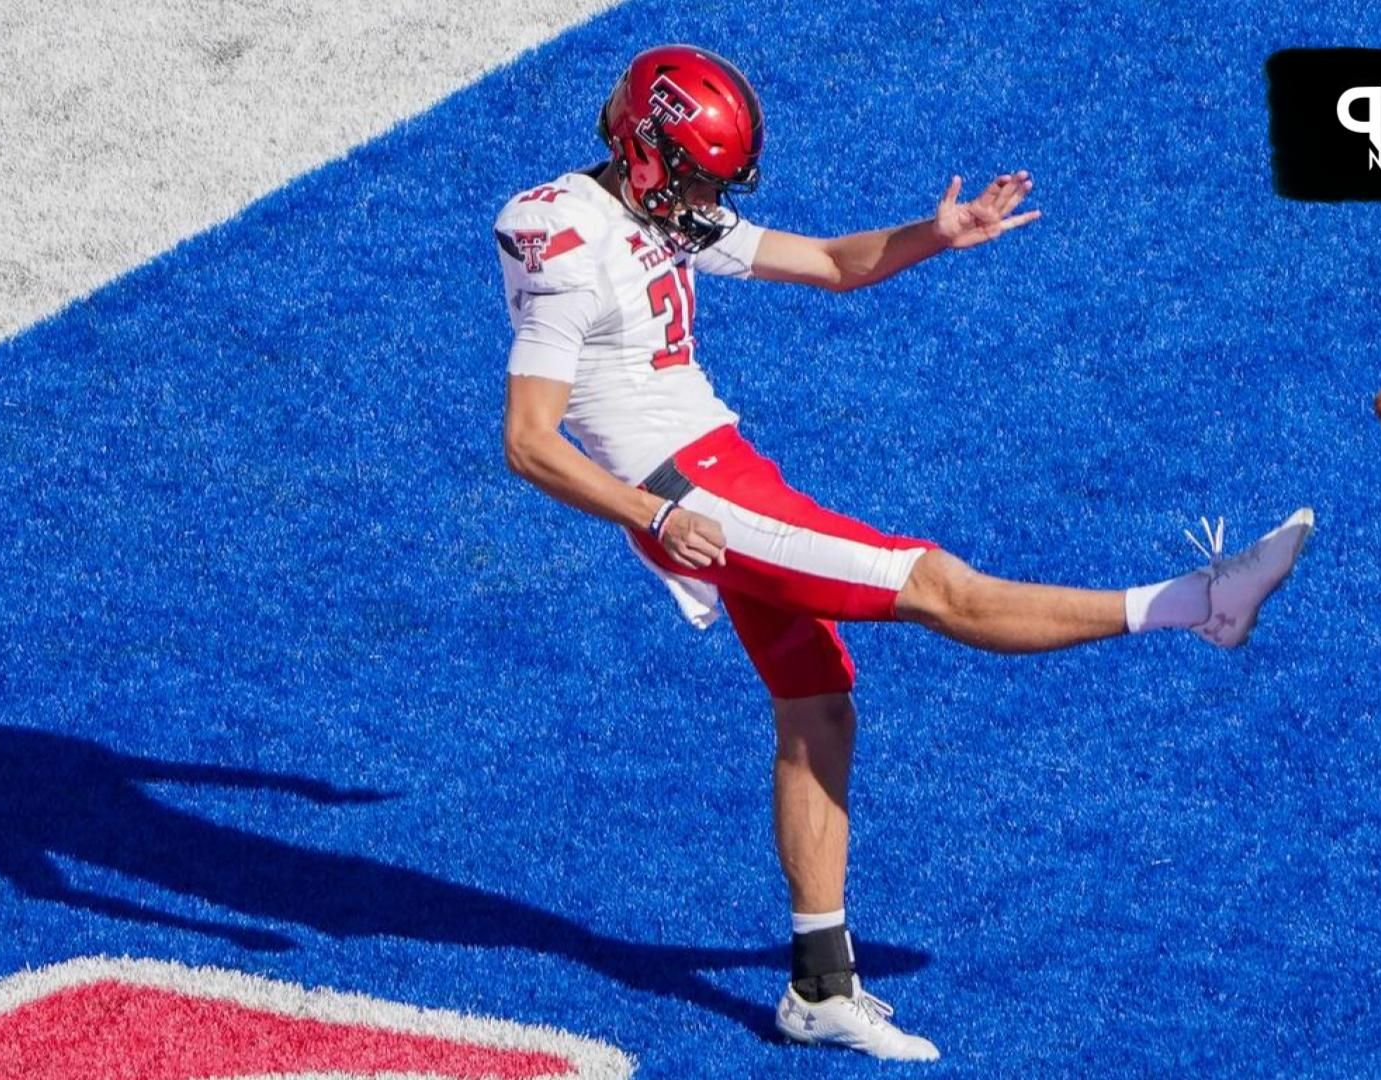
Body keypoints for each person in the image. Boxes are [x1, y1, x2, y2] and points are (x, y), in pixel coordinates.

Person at [493, 44, 1313, 1061]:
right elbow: (529, 440)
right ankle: (1198, 602)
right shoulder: (561, 234)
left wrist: (937, 234)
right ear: (644, 150)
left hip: (727, 469)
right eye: (698, 173)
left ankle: (819, 986)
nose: (707, 197)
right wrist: (653, 517)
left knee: (817, 699)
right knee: (930, 585)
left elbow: (833, 264)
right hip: (691, 495)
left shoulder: (663, 206)